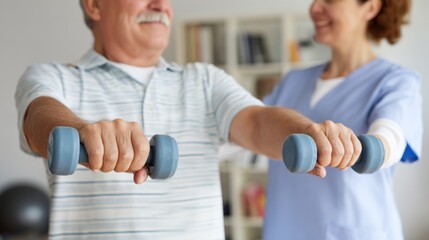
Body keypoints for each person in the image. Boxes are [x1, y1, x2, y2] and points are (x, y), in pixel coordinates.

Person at [15, 0, 362, 239]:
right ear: (94, 5)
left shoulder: (204, 80)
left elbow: (257, 122)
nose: (161, 5)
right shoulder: (55, 77)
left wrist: (307, 132)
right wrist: (83, 132)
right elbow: (40, 120)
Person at [262, 0, 422, 239]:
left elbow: (391, 138)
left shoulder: (396, 81)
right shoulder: (292, 81)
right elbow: (246, 132)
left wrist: (368, 149)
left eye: (329, 0)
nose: (314, 8)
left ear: (370, 8)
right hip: (285, 229)